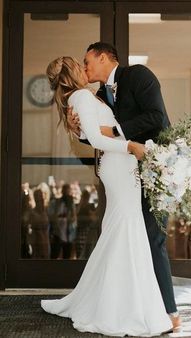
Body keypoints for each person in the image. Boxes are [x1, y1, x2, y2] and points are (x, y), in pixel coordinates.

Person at [41, 56, 173, 336]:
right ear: (71, 73)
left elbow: (96, 132)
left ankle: (121, 299)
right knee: (126, 229)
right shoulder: (80, 97)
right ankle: (122, 306)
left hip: (122, 167)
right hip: (119, 165)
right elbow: (98, 140)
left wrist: (93, 136)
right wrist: (132, 148)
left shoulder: (87, 96)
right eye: (79, 64)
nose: (83, 66)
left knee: (120, 231)